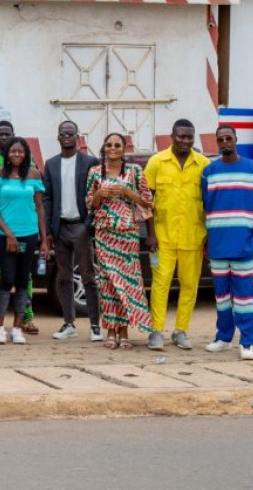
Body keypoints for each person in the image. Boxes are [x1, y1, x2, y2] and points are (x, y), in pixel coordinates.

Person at [145, 118, 209, 351]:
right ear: (172, 136)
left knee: (190, 285)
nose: (185, 141)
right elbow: (146, 201)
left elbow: (209, 202)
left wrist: (209, 234)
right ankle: (156, 331)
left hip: (194, 237)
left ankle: (181, 331)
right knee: (160, 285)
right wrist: (150, 234)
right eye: (180, 136)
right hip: (163, 237)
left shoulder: (202, 164)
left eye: (189, 137)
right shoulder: (156, 162)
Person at [202, 126, 253, 360]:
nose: (225, 142)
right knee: (222, 297)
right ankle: (223, 337)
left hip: (244, 246)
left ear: (236, 140)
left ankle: (247, 342)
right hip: (218, 246)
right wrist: (207, 243)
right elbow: (205, 208)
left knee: (244, 297)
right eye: (221, 139)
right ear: (217, 142)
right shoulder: (209, 173)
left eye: (229, 138)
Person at [87, 132, 154, 349]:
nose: (113, 148)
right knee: (107, 284)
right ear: (104, 148)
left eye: (117, 145)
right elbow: (90, 203)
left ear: (124, 149)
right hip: (105, 232)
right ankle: (110, 330)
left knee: (126, 283)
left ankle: (124, 331)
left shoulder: (135, 171)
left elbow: (147, 202)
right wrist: (100, 194)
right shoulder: (95, 172)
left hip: (127, 233)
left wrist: (127, 191)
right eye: (109, 145)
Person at [0, 136, 48, 345]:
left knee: (23, 280)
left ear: (26, 154)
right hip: (5, 236)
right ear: (6, 154)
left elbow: (40, 207)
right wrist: (9, 233)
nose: (17, 155)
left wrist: (44, 239)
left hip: (29, 234)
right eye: (13, 151)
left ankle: (18, 328)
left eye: (21, 151)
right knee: (6, 279)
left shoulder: (34, 175)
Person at [42, 121, 102, 342]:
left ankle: (95, 326)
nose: (66, 136)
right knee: (64, 277)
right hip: (60, 228)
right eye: (62, 133)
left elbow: (97, 195)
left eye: (70, 133)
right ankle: (69, 323)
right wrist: (48, 230)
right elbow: (47, 198)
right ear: (58, 137)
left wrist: (88, 225)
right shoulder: (51, 164)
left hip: (81, 226)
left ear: (78, 137)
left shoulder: (89, 162)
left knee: (88, 276)